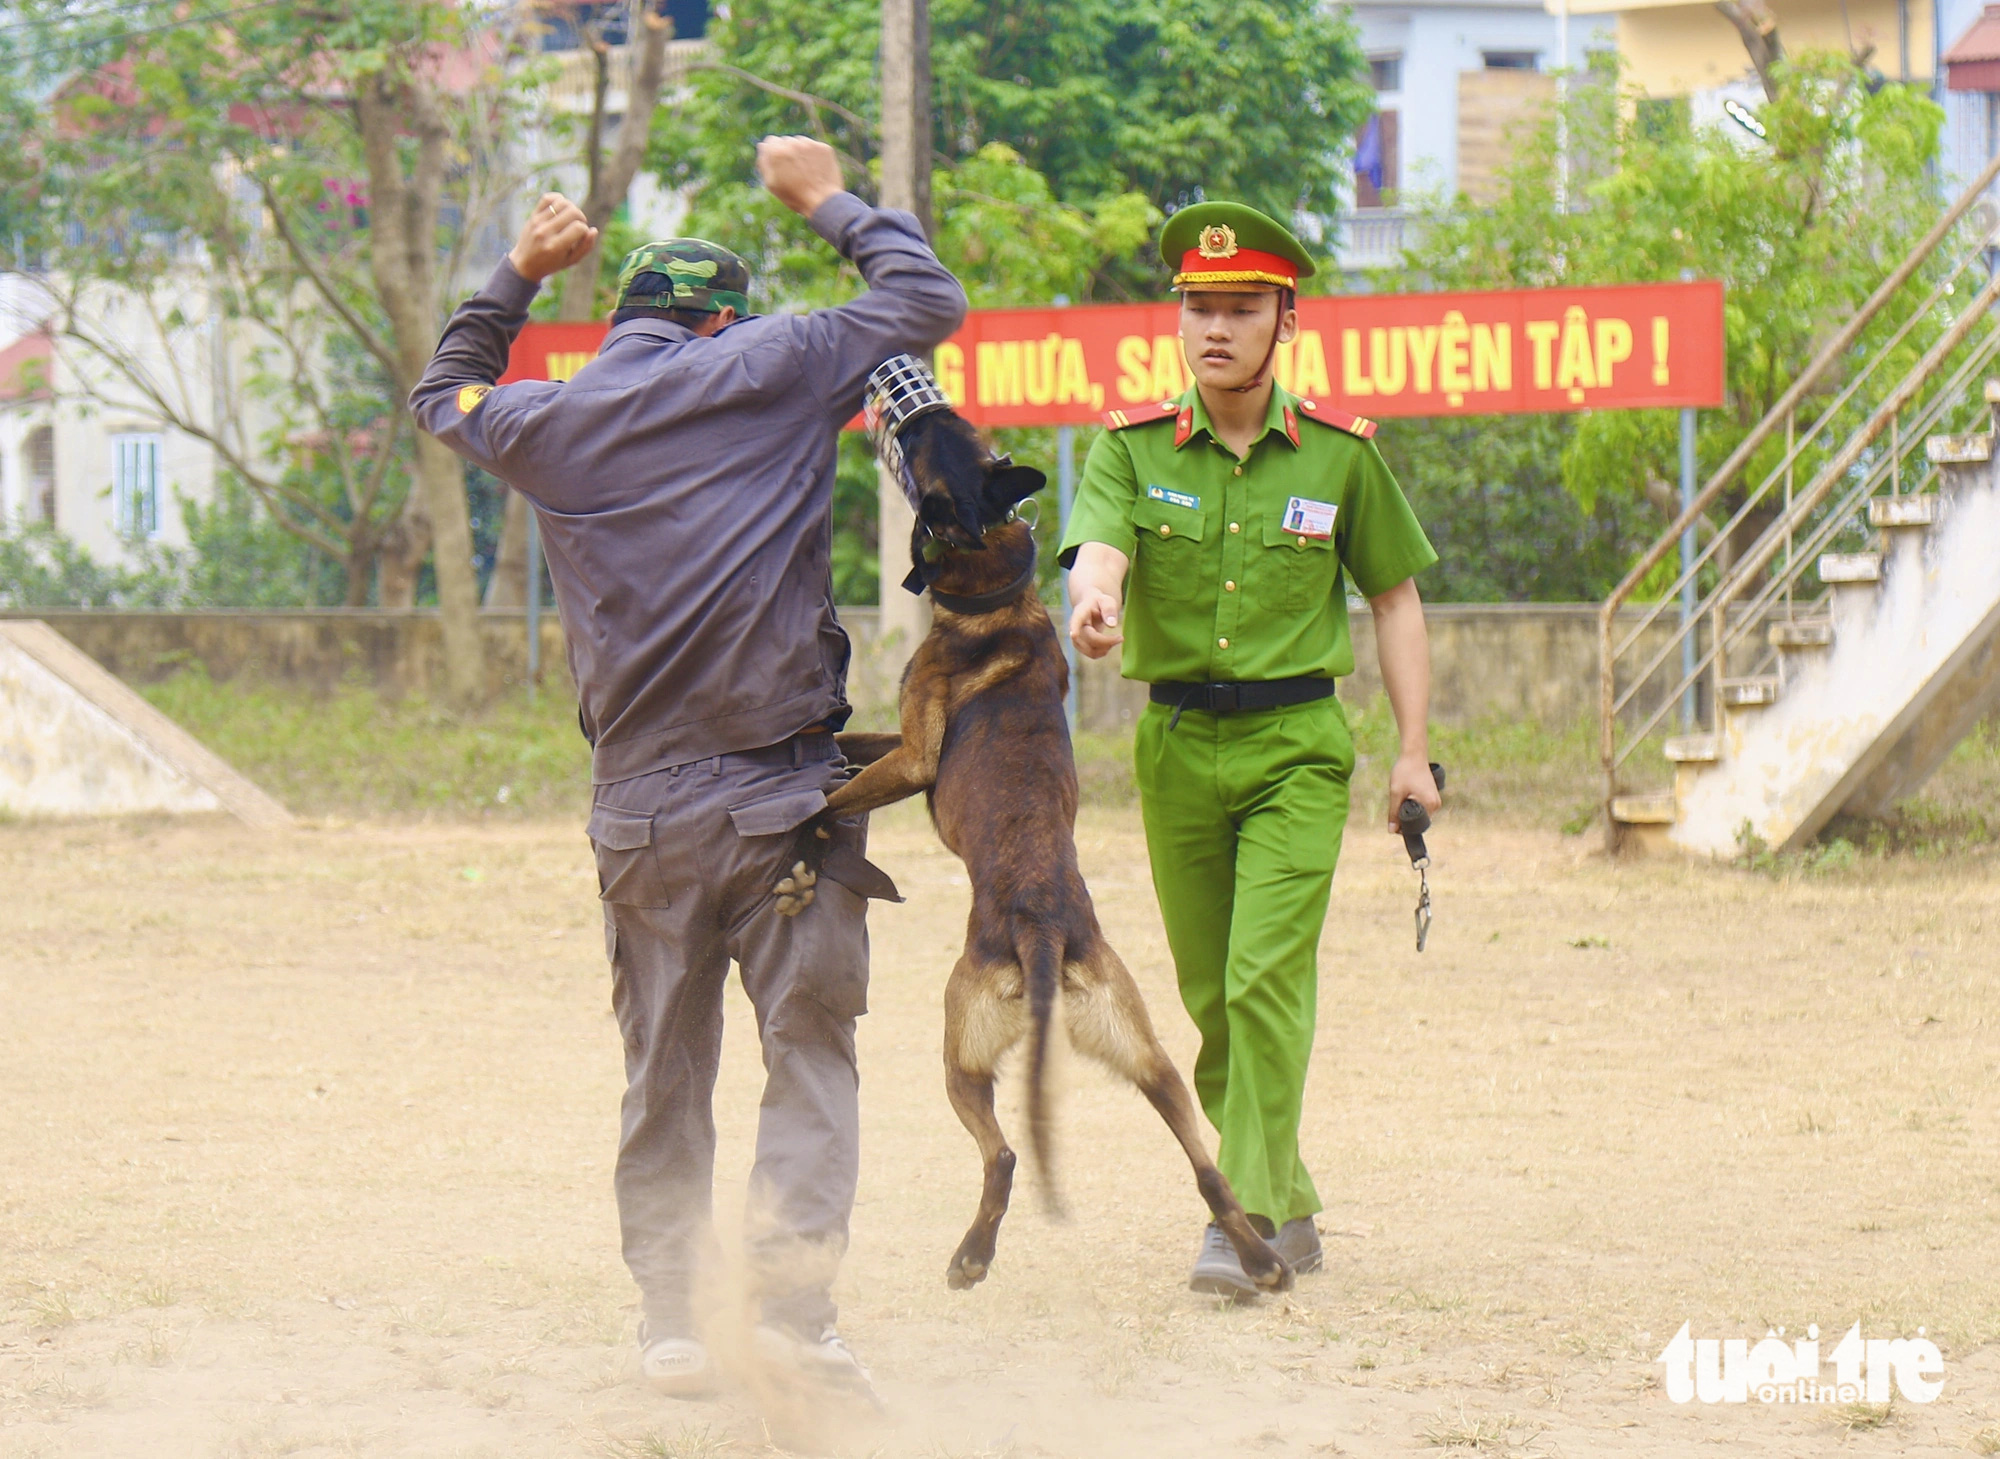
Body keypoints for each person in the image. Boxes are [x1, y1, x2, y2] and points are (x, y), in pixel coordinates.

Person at [409, 137, 967, 1394]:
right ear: (721, 319)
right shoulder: (773, 363)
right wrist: (826, 199)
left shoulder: (545, 420)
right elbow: (924, 302)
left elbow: (442, 391)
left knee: (662, 1066)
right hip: (782, 799)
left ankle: (671, 1319)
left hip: (640, 817)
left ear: (622, 322)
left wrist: (518, 270)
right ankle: (790, 1313)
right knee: (808, 1052)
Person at [1058, 201, 1441, 1298]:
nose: (1215, 328)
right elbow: (1098, 552)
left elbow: (1395, 600)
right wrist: (1092, 602)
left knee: (1262, 974)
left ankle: (1246, 1213)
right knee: (1213, 994)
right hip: (1177, 744)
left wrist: (1411, 752)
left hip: (1296, 747)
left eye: (1239, 309)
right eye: (1198, 308)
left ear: (1285, 320)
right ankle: (1294, 1199)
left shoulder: (1340, 457)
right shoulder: (1130, 447)